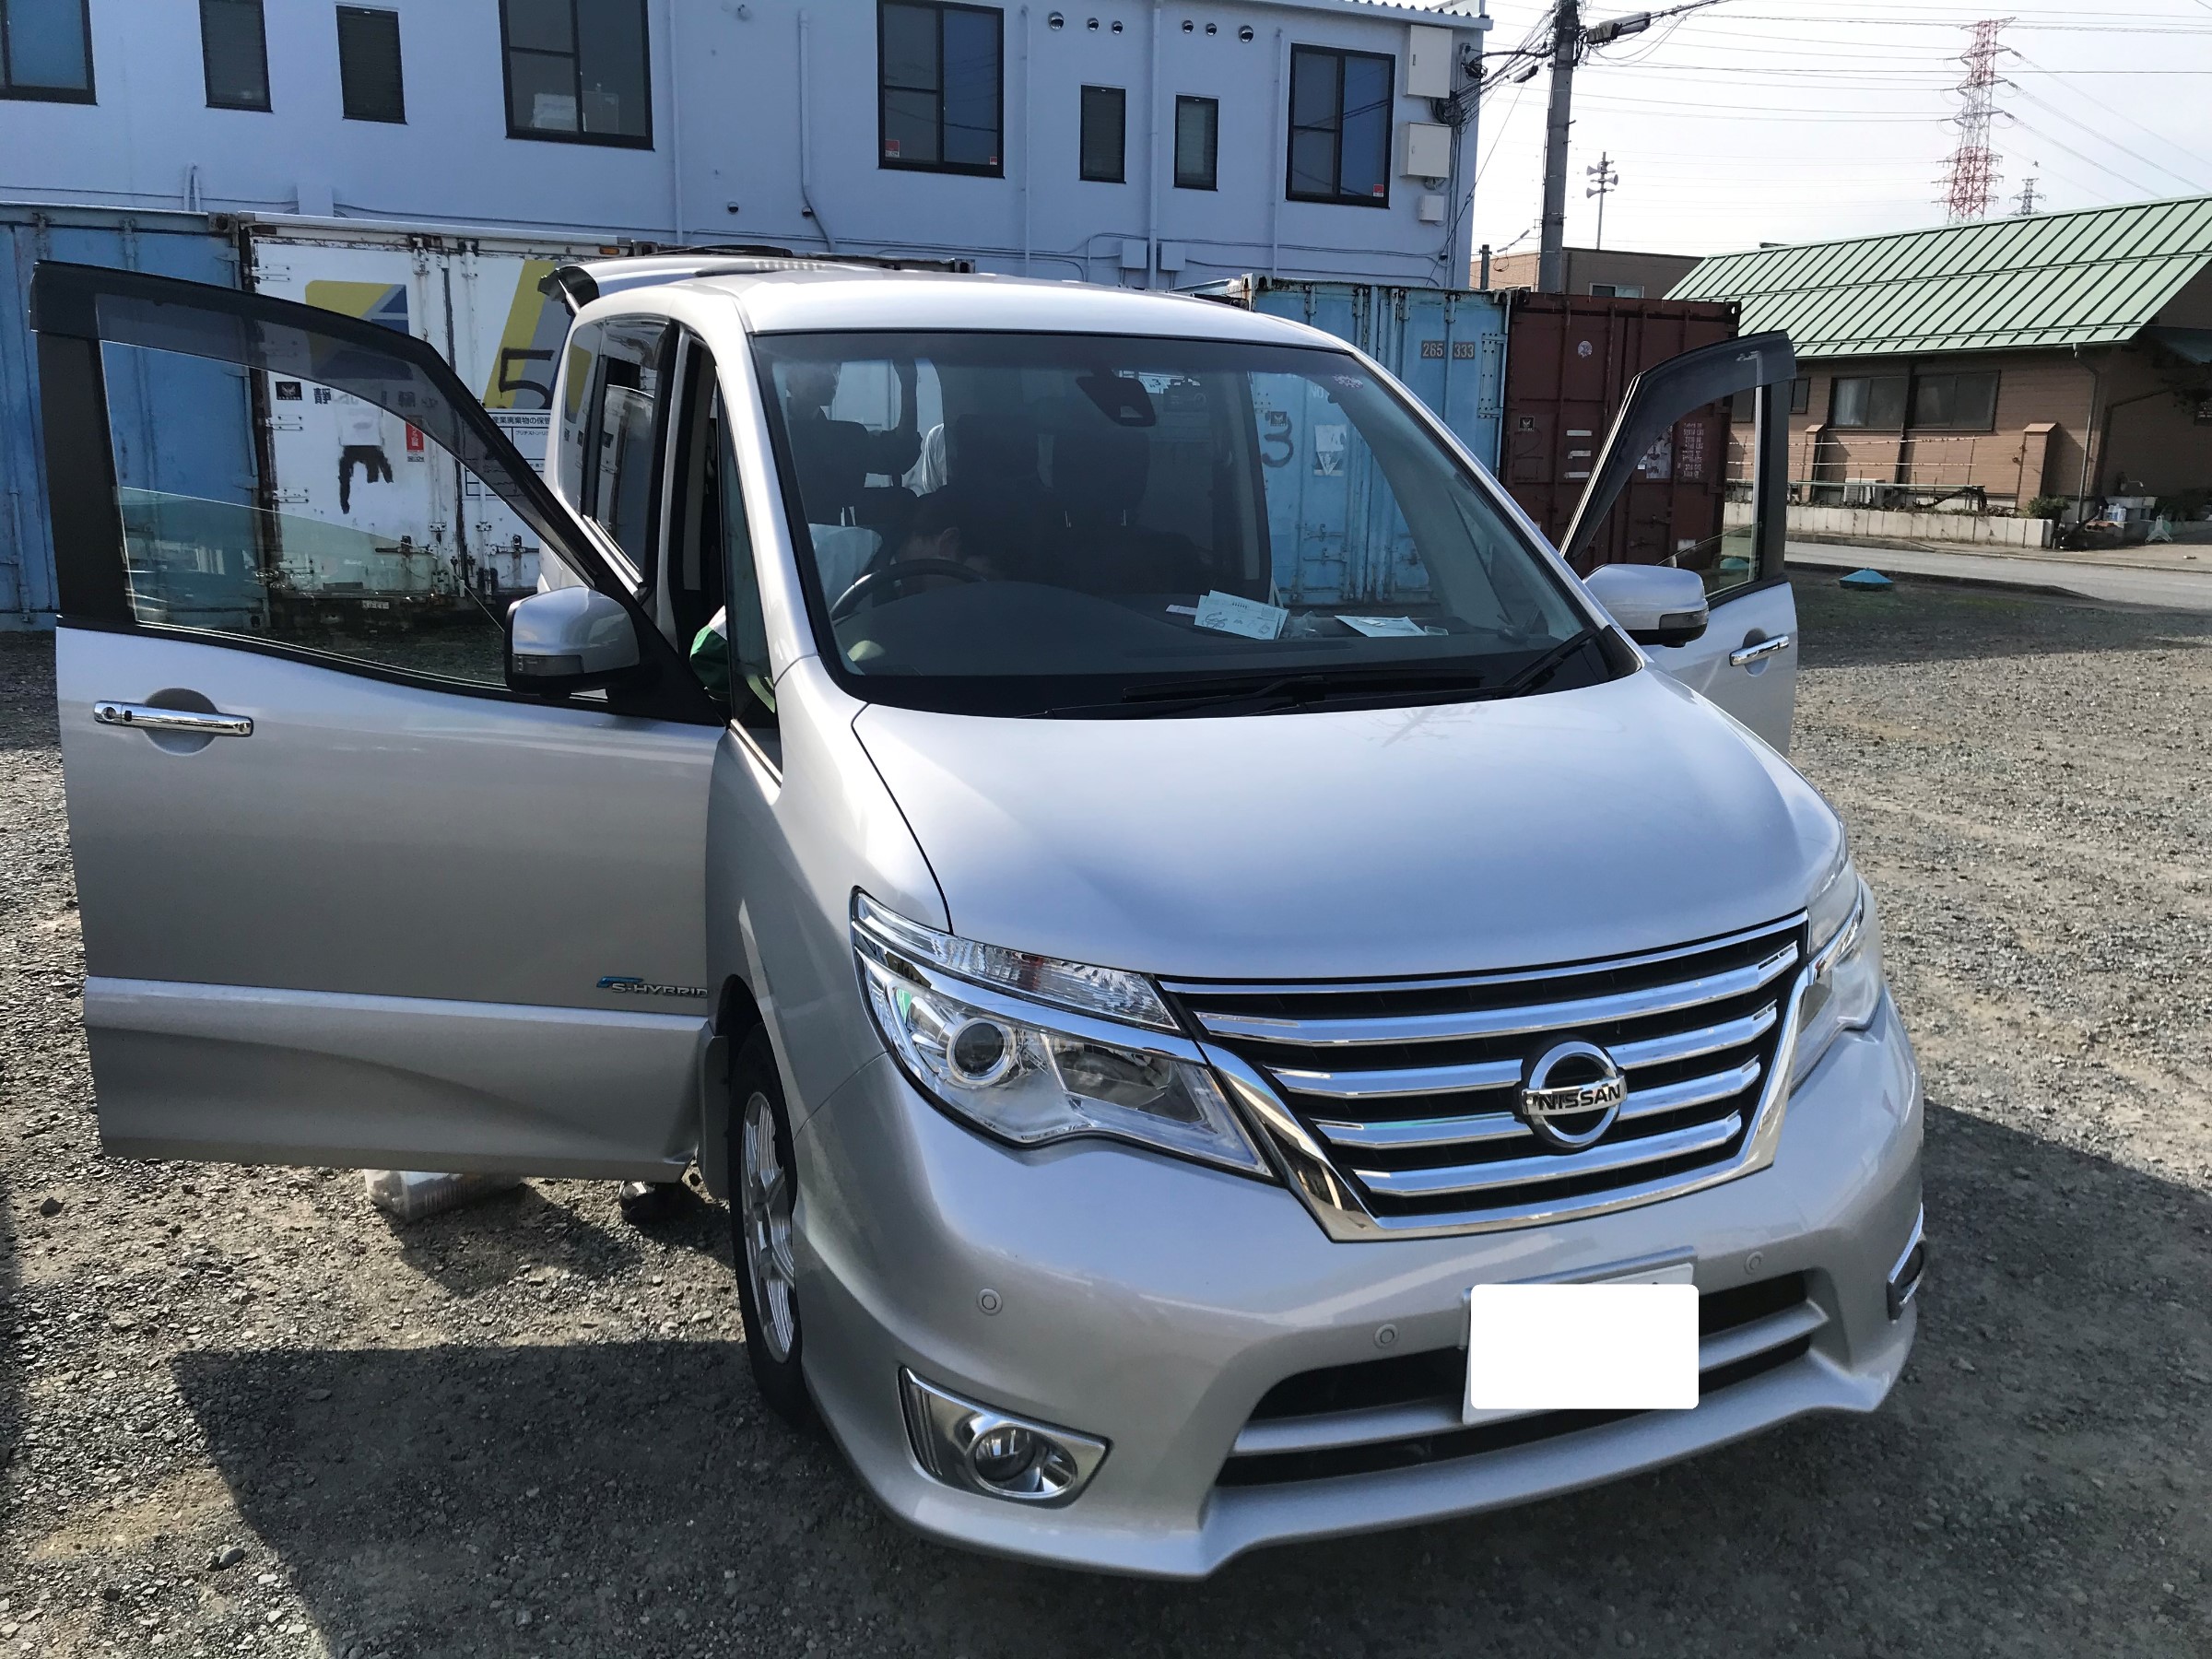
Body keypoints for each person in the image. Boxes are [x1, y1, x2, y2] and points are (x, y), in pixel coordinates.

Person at [782, 359, 922, 525]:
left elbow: (898, 454)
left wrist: (908, 385)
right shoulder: (765, 435)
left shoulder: (845, 439)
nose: (832, 376)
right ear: (789, 374)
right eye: (818, 365)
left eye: (836, 367)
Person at [335, 394, 394, 514]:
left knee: (352, 472)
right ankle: (382, 481)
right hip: (362, 446)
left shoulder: (347, 405)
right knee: (371, 465)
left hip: (358, 445)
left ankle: (345, 503)